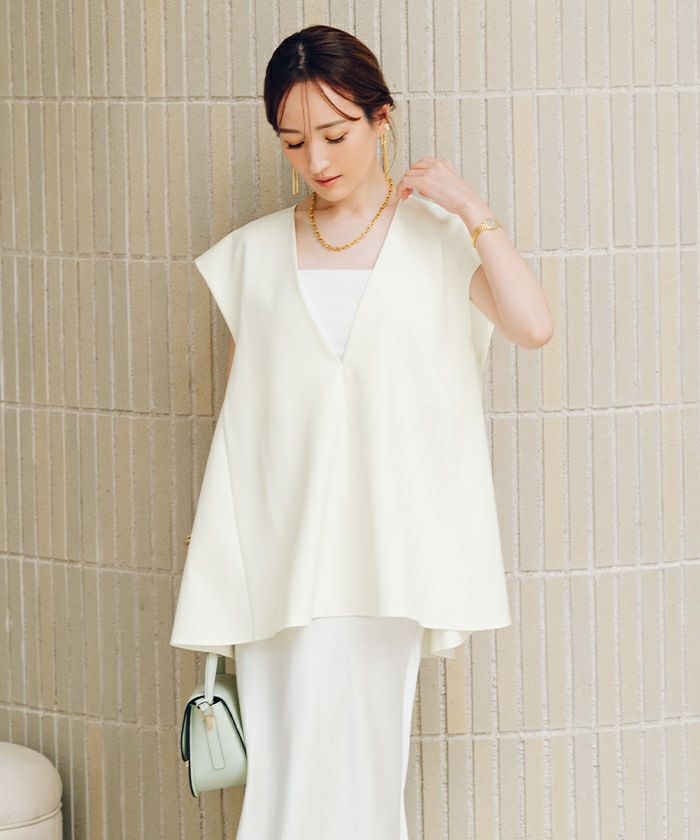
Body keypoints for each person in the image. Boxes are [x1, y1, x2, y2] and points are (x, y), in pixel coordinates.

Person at [171, 24, 553, 840]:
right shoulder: (255, 255)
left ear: (383, 119)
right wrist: (219, 553)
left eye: (336, 133)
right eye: (294, 141)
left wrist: (471, 209)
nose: (317, 159)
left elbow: (533, 325)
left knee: (363, 785)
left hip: (385, 562)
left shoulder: (437, 242)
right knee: (281, 791)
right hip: (280, 562)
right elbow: (245, 426)